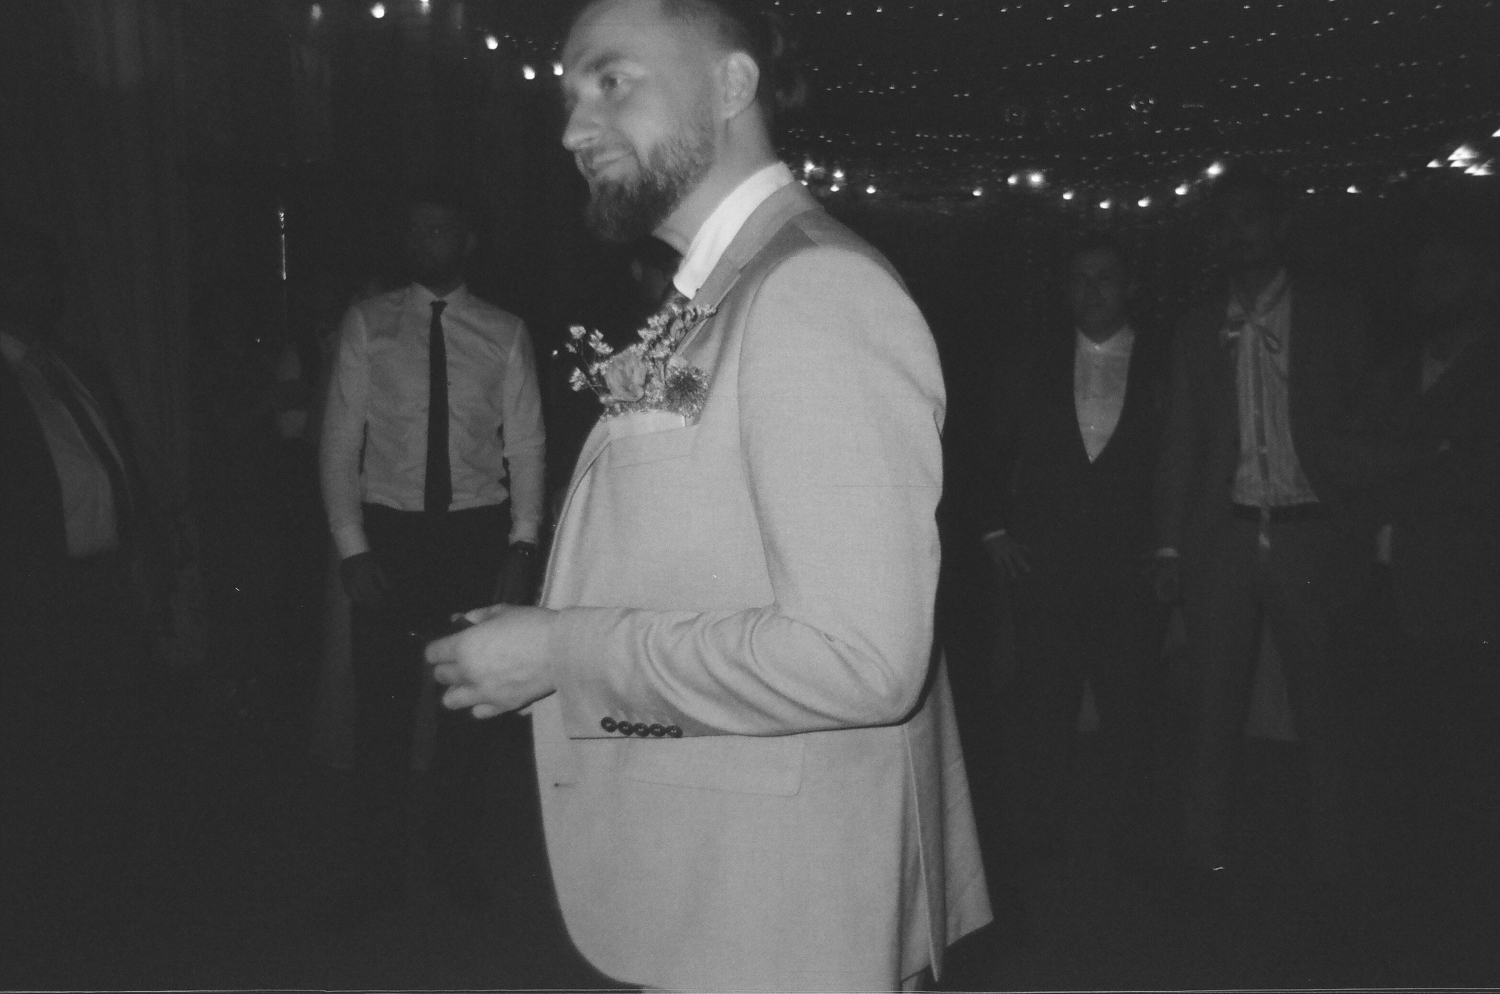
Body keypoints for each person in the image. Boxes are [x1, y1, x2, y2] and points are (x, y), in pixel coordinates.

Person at [427, 1, 991, 989]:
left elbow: (860, 659)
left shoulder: (815, 291)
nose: (573, 130)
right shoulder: (726, 288)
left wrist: (559, 652)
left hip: (782, 907)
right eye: (569, 98)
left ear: (732, 85)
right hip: (730, 875)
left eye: (612, 81)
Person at [319, 183, 547, 914]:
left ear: (466, 240)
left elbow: (527, 445)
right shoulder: (370, 324)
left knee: (466, 712)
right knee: (383, 707)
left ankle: (455, 865)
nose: (427, 243)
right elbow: (340, 442)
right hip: (393, 530)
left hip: (472, 533)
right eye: (416, 231)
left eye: (441, 230)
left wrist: (521, 545)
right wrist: (353, 548)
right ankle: (375, 874)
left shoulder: (504, 332)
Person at [1152, 166, 1365, 889]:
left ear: (1279, 226)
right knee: (1212, 707)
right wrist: (1170, 544)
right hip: (1226, 536)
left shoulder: (1334, 314)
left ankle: (1335, 860)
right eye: (1227, 221)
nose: (1238, 233)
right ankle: (1203, 854)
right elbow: (1182, 440)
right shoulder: (1197, 325)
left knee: (1323, 706)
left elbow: (1367, 422)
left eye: (1251, 217)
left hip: (1309, 532)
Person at [0, 217, 172, 963]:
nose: (45, 284)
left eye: (50, 270)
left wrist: (144, 558)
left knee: (113, 754)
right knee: (45, 766)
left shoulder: (71, 365)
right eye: (25, 269)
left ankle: (110, 911)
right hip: (33, 604)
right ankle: (50, 927)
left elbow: (114, 462)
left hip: (104, 590)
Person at [979, 233, 1171, 869]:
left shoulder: (1165, 362)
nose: (1092, 290)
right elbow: (988, 445)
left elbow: (1182, 457)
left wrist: (1170, 548)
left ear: (1130, 286)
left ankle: (1132, 849)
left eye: (1105, 277)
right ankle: (1039, 849)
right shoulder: (1031, 360)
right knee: (1043, 711)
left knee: (1132, 711)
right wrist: (994, 530)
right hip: (1046, 568)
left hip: (1130, 570)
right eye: (1080, 279)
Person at [1351, 216, 1499, 859]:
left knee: (1467, 764)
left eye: (1447, 273)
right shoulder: (1395, 369)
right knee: (1396, 765)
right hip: (1387, 591)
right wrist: (1424, 455)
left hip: (1469, 601)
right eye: (1421, 274)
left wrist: (1408, 460)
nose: (1429, 288)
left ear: (1485, 281)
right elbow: (1356, 458)